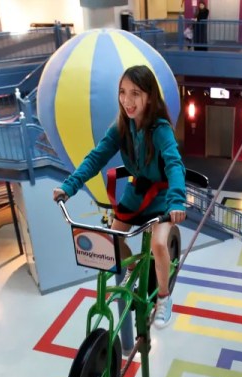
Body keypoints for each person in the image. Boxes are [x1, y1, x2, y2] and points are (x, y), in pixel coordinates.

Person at [52, 65, 186, 329]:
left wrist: (177, 201)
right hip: (137, 193)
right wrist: (70, 186)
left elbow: (174, 164)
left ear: (150, 96)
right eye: (122, 92)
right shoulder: (121, 126)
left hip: (161, 196)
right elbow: (96, 157)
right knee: (112, 238)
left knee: (158, 245)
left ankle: (164, 297)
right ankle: (135, 270)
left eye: (135, 93)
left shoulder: (160, 129)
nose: (127, 100)